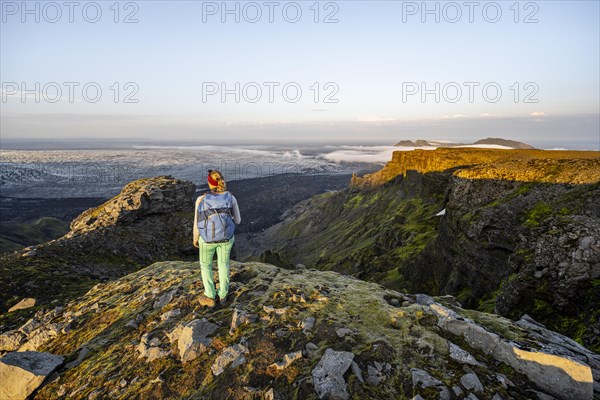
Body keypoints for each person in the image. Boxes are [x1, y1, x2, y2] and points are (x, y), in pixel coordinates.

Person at [193, 170, 241, 308]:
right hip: (226, 239)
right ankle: (223, 295)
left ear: (209, 183)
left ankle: (210, 295)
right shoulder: (231, 198)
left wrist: (196, 239)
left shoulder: (201, 200)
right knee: (223, 264)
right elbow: (237, 220)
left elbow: (197, 223)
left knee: (205, 265)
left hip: (206, 240)